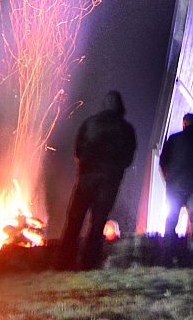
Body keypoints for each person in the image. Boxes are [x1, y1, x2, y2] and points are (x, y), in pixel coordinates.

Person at [58, 90, 137, 268]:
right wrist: (115, 170)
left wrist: (84, 167)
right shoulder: (126, 129)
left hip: (86, 178)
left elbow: (78, 150)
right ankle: (88, 263)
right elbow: (128, 157)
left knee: (75, 219)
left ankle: (64, 261)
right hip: (109, 181)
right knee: (97, 223)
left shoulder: (90, 123)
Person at [158, 112, 193, 237]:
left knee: (171, 220)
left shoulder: (173, 139)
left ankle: (168, 247)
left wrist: (167, 178)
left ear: (184, 124)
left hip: (175, 186)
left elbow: (163, 161)